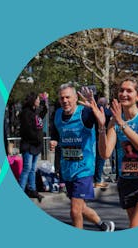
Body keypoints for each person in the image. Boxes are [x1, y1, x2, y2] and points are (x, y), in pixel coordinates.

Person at [91, 76, 138, 229]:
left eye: (129, 91)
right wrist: (102, 126)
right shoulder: (114, 121)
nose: (124, 94)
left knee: (135, 226)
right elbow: (105, 154)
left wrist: (121, 123)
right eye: (121, 90)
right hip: (126, 181)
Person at [49, 83, 115, 231]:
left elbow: (108, 115)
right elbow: (56, 132)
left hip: (84, 169)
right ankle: (104, 225)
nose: (65, 101)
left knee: (75, 211)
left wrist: (96, 106)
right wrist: (54, 141)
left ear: (75, 98)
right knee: (81, 207)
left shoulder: (85, 113)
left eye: (68, 97)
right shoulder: (58, 114)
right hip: (67, 169)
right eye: (62, 98)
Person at [18, 92, 47, 202]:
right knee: (27, 168)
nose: (38, 101)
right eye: (37, 99)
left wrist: (44, 100)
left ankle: (32, 189)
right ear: (33, 100)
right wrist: (37, 138)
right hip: (29, 145)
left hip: (36, 146)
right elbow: (27, 130)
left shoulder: (35, 112)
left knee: (33, 169)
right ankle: (21, 189)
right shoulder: (26, 113)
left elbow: (43, 112)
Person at [93, 97, 112, 188]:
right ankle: (97, 180)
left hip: (93, 138)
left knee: (95, 160)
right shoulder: (106, 112)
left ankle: (94, 179)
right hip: (101, 137)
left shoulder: (93, 110)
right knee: (100, 160)